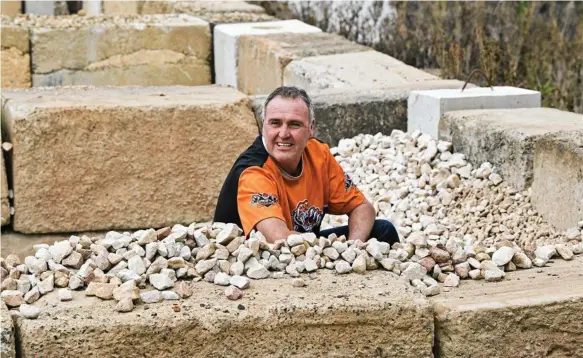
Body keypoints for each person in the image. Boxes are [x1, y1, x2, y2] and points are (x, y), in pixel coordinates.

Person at [213, 86, 399, 245]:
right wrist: (331, 253)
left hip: (305, 246)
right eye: (275, 123)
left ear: (311, 128)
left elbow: (362, 207)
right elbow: (279, 240)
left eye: (294, 125)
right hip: (258, 265)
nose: (283, 133)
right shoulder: (254, 171)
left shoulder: (318, 153)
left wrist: (354, 248)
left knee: (383, 230)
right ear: (263, 126)